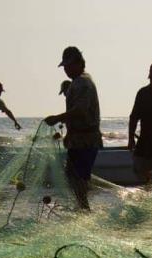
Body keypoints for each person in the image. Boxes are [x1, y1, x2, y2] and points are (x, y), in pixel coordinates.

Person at [44, 46, 102, 210]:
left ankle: (84, 210)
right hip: (79, 139)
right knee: (73, 176)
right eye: (64, 67)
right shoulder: (79, 81)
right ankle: (82, 208)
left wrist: (57, 118)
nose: (66, 70)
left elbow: (80, 110)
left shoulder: (83, 83)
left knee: (79, 179)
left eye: (69, 65)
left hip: (86, 140)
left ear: (79, 63)